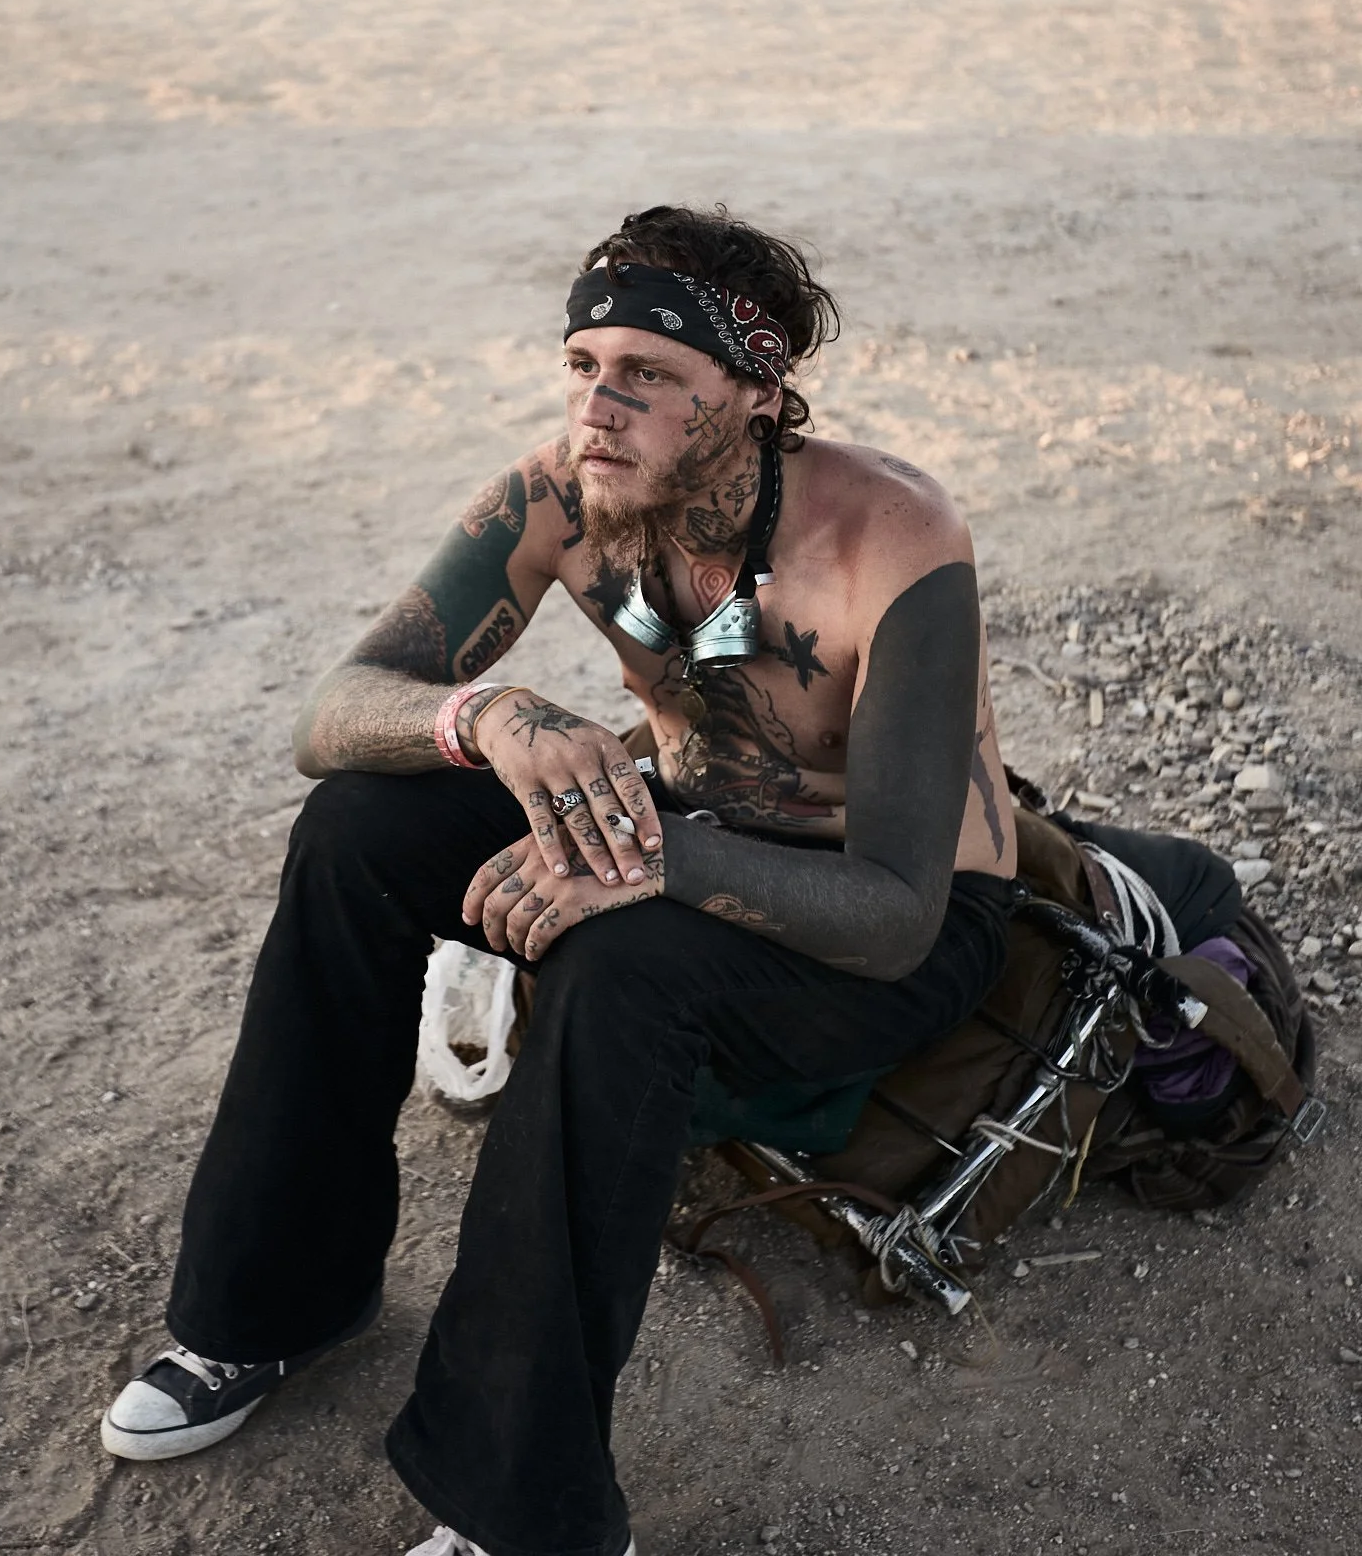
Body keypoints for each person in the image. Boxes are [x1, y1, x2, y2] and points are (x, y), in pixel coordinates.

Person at [100, 205, 1018, 1556]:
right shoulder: (559, 501)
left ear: (757, 396)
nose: (602, 404)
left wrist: (649, 859)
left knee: (618, 970)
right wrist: (492, 719)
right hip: (685, 827)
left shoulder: (894, 541)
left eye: (650, 374)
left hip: (876, 917)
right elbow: (334, 712)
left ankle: (523, 1505)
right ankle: (267, 1306)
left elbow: (900, 913)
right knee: (358, 827)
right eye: (585, 363)